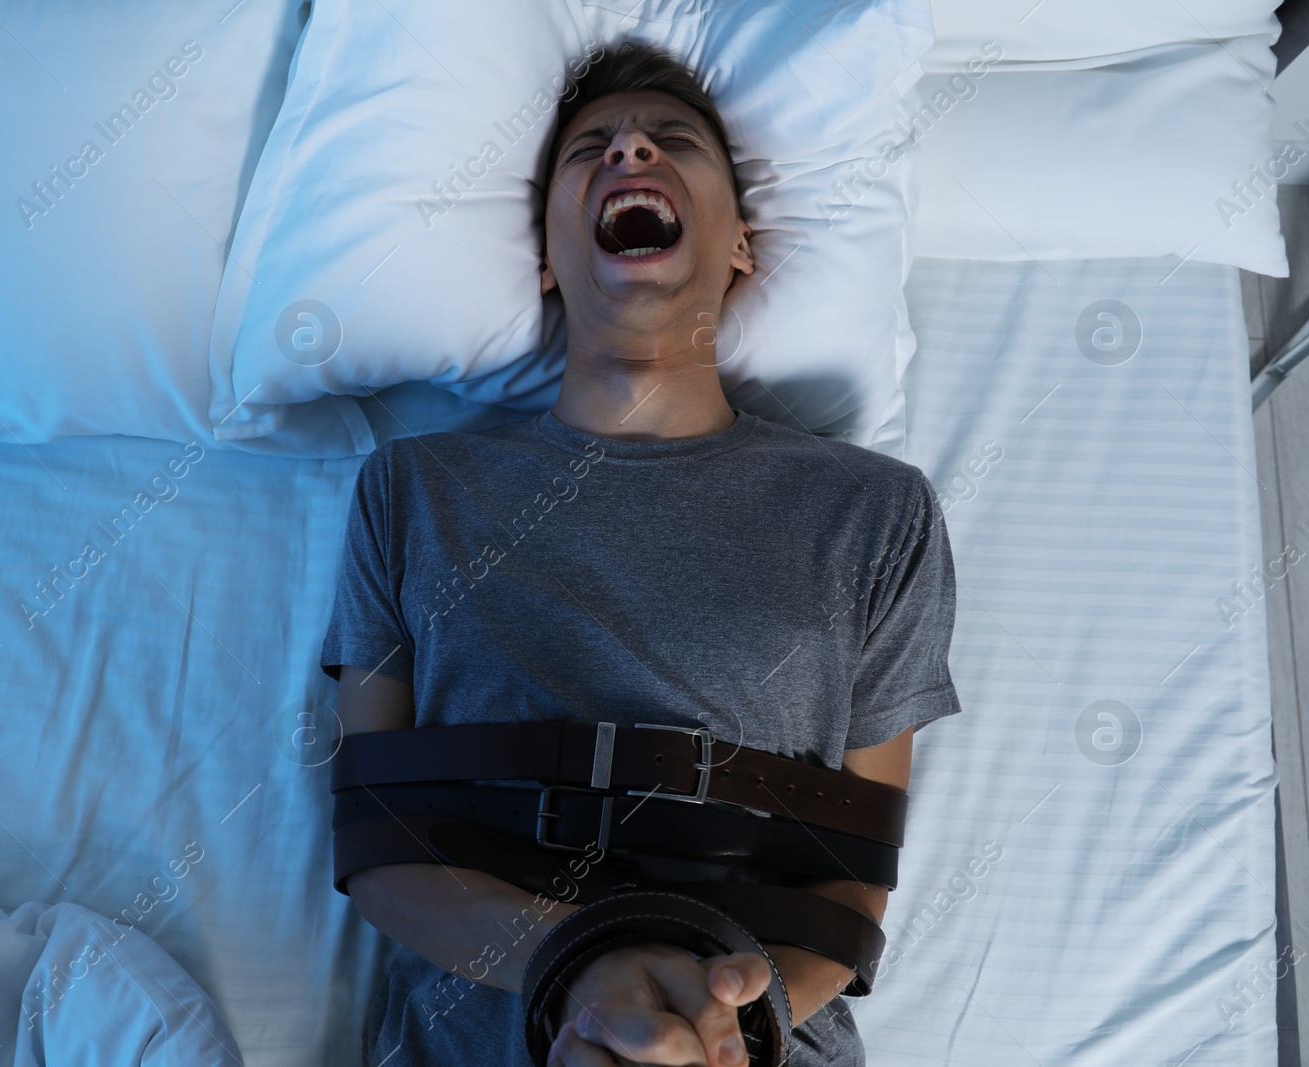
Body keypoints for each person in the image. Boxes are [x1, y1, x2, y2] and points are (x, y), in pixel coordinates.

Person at [321, 39, 963, 1067]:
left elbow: (850, 885)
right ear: (543, 258)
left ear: (740, 244)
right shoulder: (411, 491)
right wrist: (579, 961)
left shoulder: (876, 513)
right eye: (591, 150)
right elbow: (374, 842)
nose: (629, 148)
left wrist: (727, 1022)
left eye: (671, 142)